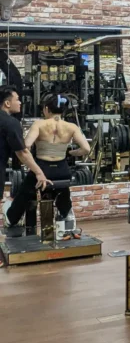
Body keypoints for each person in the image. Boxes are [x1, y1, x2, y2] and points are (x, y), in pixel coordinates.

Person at [6, 93, 90, 238]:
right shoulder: (72, 127)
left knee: (25, 192)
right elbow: (86, 149)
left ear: (46, 109)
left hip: (43, 168)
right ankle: (65, 215)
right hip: (62, 169)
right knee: (63, 191)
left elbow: (26, 145)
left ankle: (12, 219)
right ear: (63, 110)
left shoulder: (39, 124)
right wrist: (72, 153)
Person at [0, 87, 52, 236]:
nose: (20, 102)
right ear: (7, 103)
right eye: (17, 99)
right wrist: (39, 173)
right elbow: (22, 152)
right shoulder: (10, 123)